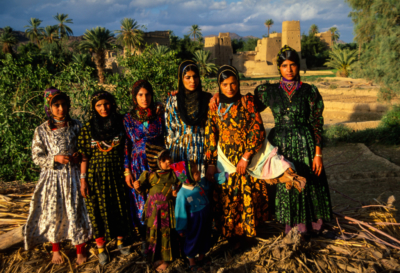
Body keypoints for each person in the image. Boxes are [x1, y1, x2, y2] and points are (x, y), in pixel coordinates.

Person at [253, 45, 332, 234]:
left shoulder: (309, 92)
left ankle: (311, 226)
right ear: (279, 68)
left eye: (293, 65)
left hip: (305, 144)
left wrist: (318, 154)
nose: (289, 69)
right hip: (280, 145)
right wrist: (216, 97)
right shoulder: (268, 92)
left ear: (298, 67)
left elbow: (316, 123)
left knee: (308, 181)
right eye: (284, 65)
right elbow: (246, 105)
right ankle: (289, 226)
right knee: (286, 182)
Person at [204, 65, 269, 250]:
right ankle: (232, 236)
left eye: (233, 84)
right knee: (226, 196)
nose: (230, 88)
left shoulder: (247, 102)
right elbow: (211, 135)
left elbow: (257, 129)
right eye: (224, 85)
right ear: (219, 86)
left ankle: (248, 235)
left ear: (238, 83)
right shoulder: (215, 106)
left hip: (245, 159)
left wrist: (246, 156)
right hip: (224, 162)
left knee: (247, 194)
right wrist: (210, 163)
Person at [24, 87, 91, 265]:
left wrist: (77, 156)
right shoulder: (42, 130)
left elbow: (85, 150)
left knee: (75, 210)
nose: (61, 109)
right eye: (56, 105)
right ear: (49, 107)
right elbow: (36, 157)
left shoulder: (76, 126)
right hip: (52, 178)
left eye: (64, 105)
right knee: (54, 212)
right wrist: (55, 158)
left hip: (73, 177)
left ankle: (80, 249)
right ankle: (56, 249)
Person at [78, 91, 132, 266]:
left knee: (118, 205)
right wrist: (83, 179)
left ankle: (120, 240)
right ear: (94, 107)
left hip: (117, 174)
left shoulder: (121, 123)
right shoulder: (88, 128)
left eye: (106, 104)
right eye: (99, 105)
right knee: (97, 210)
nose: (103, 108)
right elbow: (84, 156)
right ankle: (101, 247)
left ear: (112, 104)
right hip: (96, 177)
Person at [123, 80, 165, 250]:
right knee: (140, 199)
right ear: (135, 97)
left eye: (147, 94)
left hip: (156, 162)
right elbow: (126, 144)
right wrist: (127, 171)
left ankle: (160, 238)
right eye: (140, 95)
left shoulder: (158, 115)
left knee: (157, 198)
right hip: (137, 164)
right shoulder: (128, 118)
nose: (144, 98)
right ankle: (144, 238)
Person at [133, 144, 180, 272]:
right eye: (164, 159)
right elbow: (141, 189)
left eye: (169, 158)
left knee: (165, 234)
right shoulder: (150, 175)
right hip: (153, 212)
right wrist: (137, 186)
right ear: (157, 162)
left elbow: (186, 182)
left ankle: (166, 260)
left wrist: (177, 191)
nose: (168, 161)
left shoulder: (175, 173)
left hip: (166, 211)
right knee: (153, 234)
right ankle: (154, 257)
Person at [165, 60, 212, 177]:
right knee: (182, 188)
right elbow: (169, 130)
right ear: (181, 79)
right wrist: (169, 155)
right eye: (188, 77)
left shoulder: (207, 99)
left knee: (200, 188)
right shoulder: (173, 100)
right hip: (179, 151)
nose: (192, 81)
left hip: (201, 150)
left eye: (195, 77)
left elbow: (211, 128)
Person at [174, 161, 223, 272]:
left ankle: (201, 258)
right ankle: (192, 262)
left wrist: (223, 176)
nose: (199, 173)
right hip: (194, 222)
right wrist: (181, 228)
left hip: (205, 218)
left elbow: (209, 183)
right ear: (187, 177)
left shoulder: (199, 184)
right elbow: (180, 212)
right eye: (196, 172)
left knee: (205, 237)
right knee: (193, 239)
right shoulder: (182, 194)